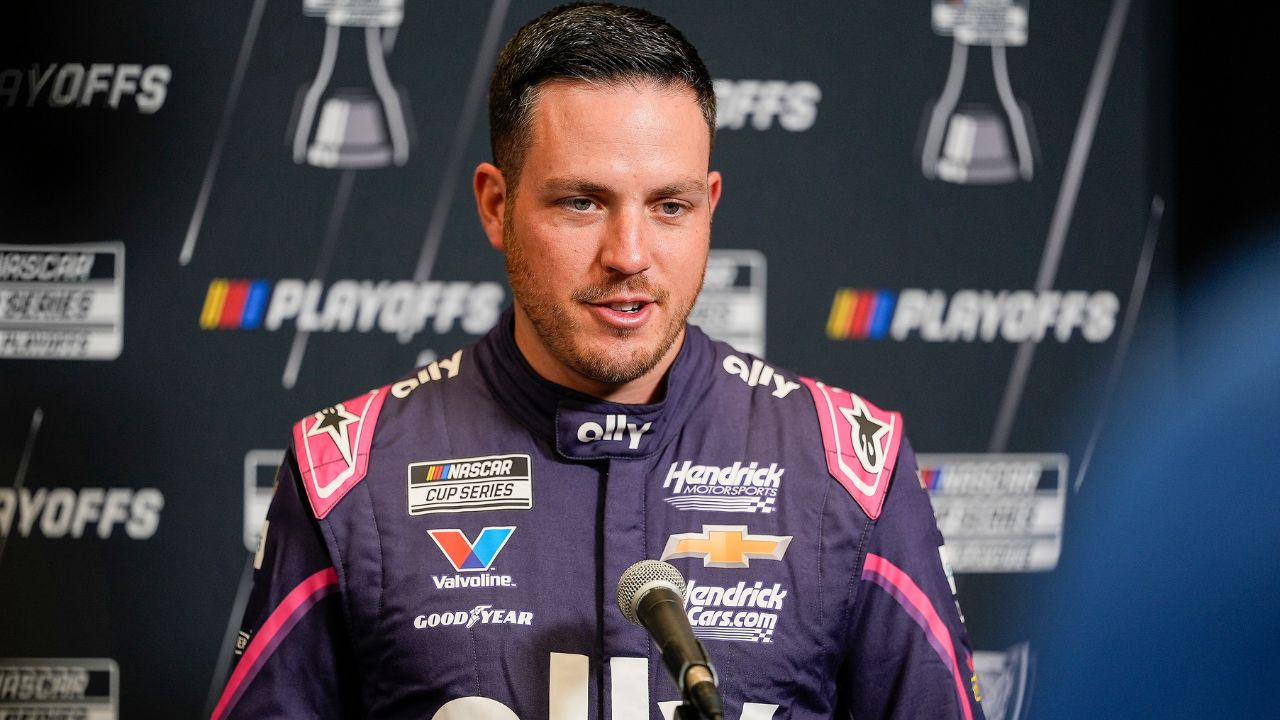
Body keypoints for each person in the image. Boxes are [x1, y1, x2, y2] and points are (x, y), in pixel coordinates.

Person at [210, 4, 985, 719]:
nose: (629, 255)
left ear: (710, 206)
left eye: (670, 206)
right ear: (496, 206)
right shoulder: (348, 474)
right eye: (582, 202)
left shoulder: (850, 470)